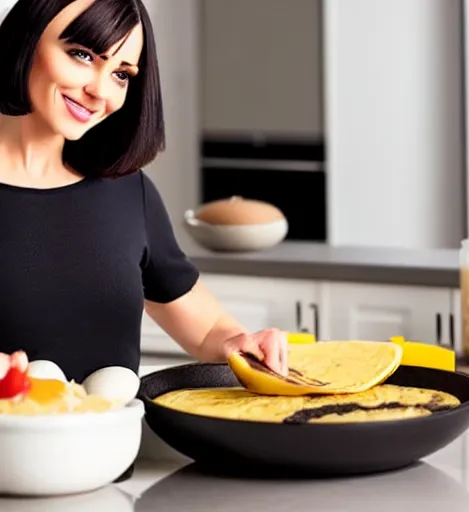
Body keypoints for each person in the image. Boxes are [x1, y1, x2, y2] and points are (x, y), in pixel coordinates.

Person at [0, 0, 288, 384]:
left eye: (121, 74)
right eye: (82, 55)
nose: (100, 90)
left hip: (113, 443)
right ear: (26, 40)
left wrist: (243, 342)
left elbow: (206, 329)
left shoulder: (128, 193)